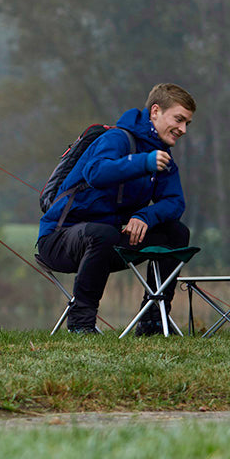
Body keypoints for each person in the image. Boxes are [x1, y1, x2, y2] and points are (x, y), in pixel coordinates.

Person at [37, 83, 196, 334]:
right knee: (103, 234)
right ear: (155, 111)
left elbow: (175, 202)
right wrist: (143, 162)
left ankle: (153, 320)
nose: (183, 129)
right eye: (179, 119)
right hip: (58, 240)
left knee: (176, 233)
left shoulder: (162, 155)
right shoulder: (116, 139)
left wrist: (145, 216)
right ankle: (81, 323)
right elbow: (96, 172)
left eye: (187, 123)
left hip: (107, 242)